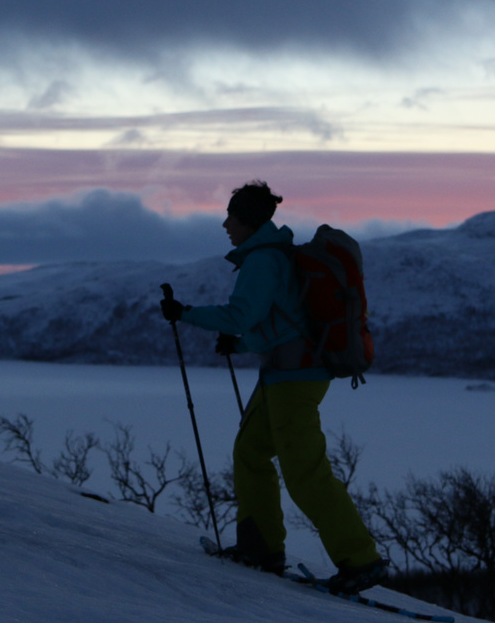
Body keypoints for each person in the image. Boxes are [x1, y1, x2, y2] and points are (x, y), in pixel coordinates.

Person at [160, 180, 388, 594]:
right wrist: (244, 343)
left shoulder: (263, 260)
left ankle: (360, 559)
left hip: (295, 379)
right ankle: (260, 546)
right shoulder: (274, 255)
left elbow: (240, 314)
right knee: (250, 452)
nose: (225, 223)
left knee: (305, 472)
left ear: (248, 219)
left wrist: (185, 314)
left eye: (232, 215)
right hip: (286, 374)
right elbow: (281, 322)